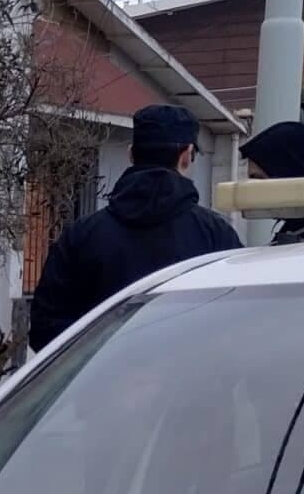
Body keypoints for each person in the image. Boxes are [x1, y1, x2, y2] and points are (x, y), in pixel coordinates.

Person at [30, 104, 242, 348]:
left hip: (101, 382)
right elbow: (238, 325)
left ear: (131, 153)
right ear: (187, 155)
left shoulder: (83, 235)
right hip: (190, 381)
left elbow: (45, 331)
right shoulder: (216, 236)